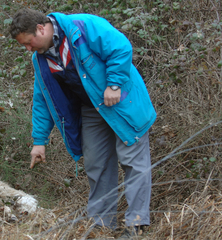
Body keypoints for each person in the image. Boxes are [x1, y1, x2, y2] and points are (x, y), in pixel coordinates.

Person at [9, 8, 156, 238]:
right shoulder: (40, 58)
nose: (28, 49)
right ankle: (101, 225)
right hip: (91, 110)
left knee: (133, 162)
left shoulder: (84, 26)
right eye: (25, 46)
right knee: (97, 164)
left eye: (29, 42)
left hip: (121, 103)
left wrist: (114, 84)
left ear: (41, 28)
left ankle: (135, 225)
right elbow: (42, 98)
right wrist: (39, 141)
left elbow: (121, 48)